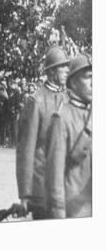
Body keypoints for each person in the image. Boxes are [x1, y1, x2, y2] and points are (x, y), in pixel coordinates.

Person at [16, 45, 70, 219]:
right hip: (42, 189)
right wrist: (25, 194)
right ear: (52, 71)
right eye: (63, 67)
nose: (67, 71)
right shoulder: (36, 101)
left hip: (63, 186)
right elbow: (26, 150)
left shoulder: (67, 98)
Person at [45, 53, 92, 219]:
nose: (94, 83)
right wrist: (59, 215)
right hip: (74, 211)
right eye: (88, 78)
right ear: (72, 82)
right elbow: (55, 176)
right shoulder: (61, 118)